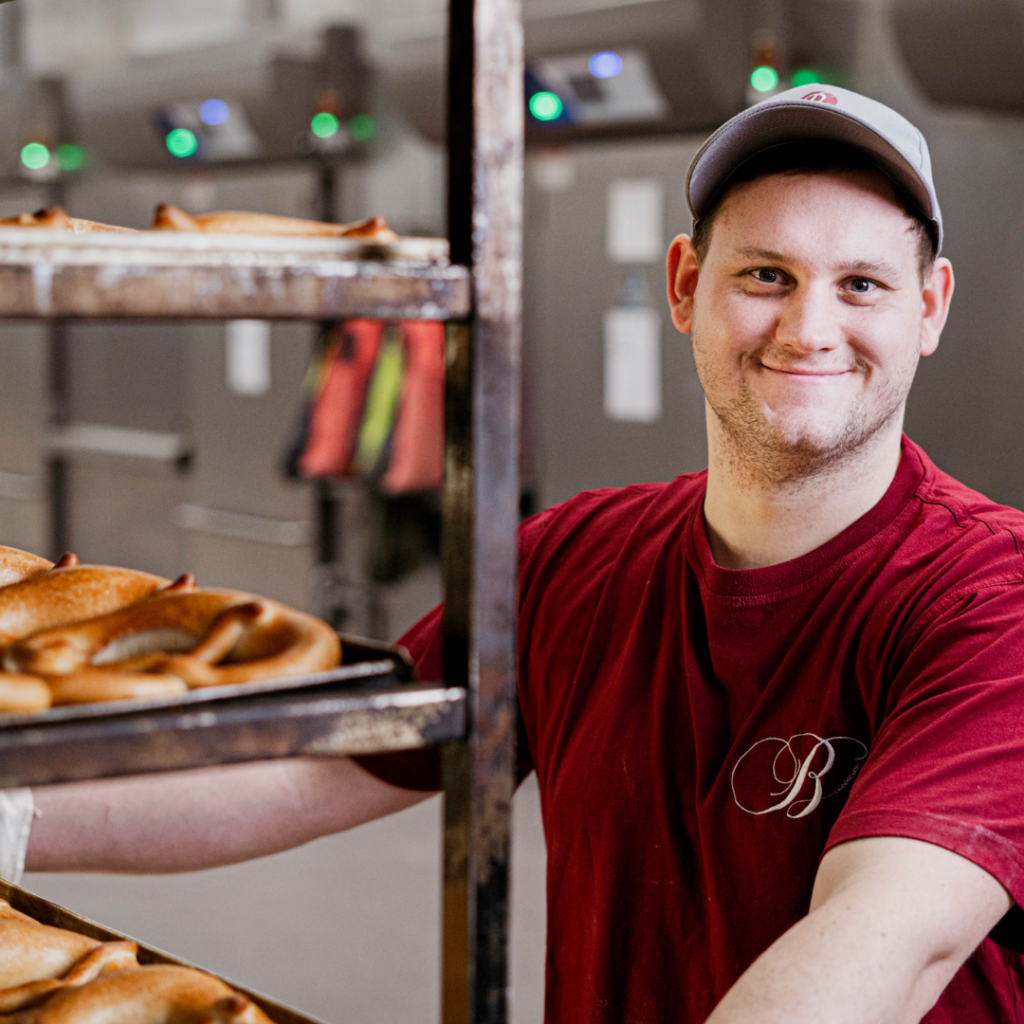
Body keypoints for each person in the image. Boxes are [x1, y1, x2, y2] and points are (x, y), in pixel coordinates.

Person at [18, 83, 1024, 1023]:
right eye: (766, 274)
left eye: (860, 284)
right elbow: (317, 771)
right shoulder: (570, 563)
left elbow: (893, 937)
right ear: (683, 284)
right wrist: (14, 821)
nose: (808, 326)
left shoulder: (991, 597)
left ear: (928, 307)